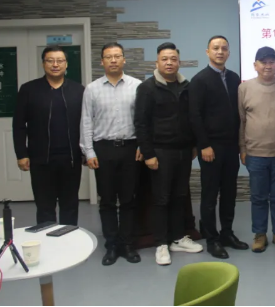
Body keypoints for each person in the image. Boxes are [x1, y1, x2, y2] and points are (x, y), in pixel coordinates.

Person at [134, 42, 202, 266]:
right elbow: (141, 123)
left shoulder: (186, 86)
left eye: (173, 59)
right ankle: (161, 243)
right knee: (161, 199)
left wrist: (193, 145)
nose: (169, 63)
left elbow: (192, 118)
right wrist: (148, 153)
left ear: (179, 62)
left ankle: (178, 238)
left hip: (183, 151)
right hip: (160, 152)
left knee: (180, 196)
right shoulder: (147, 88)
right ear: (157, 62)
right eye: (164, 59)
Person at [80, 42, 142, 266]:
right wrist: (88, 151)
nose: (113, 60)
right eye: (109, 57)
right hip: (103, 149)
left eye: (117, 56)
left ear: (124, 59)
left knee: (128, 200)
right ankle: (112, 245)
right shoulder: (92, 89)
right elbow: (86, 121)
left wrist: (143, 146)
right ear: (102, 61)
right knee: (106, 201)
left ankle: (127, 244)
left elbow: (143, 120)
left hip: (131, 149)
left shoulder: (137, 86)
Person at [188, 36, 248, 260]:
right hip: (210, 148)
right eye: (215, 48)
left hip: (231, 146)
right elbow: (194, 115)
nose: (220, 52)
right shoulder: (199, 80)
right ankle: (212, 239)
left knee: (229, 193)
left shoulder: (234, 78)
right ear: (208, 52)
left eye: (224, 48)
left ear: (229, 53)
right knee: (210, 195)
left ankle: (227, 233)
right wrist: (203, 144)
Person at [13, 45, 84, 226]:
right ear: (43, 64)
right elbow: (19, 125)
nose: (55, 64)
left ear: (66, 64)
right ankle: (47, 238)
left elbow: (86, 125)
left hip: (71, 158)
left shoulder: (79, 90)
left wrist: (86, 152)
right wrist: (21, 154)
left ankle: (68, 238)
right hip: (40, 159)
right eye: (50, 61)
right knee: (45, 206)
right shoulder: (29, 90)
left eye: (59, 60)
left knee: (70, 205)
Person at [239, 47, 275, 253]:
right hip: (255, 153)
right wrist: (242, 148)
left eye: (272, 62)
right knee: (258, 197)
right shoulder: (244, 88)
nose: (268, 66)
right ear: (255, 65)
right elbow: (241, 121)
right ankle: (259, 234)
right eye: (264, 62)